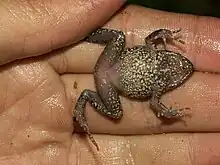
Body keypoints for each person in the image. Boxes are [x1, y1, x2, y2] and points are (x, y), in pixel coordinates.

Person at [0, 0, 219, 164]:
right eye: (176, 61)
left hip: (109, 76)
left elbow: (151, 43)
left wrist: (165, 35)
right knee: (116, 106)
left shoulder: (156, 67)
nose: (180, 68)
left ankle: (85, 88)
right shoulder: (157, 74)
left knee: (118, 40)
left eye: (179, 75)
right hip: (110, 74)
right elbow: (155, 101)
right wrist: (166, 34)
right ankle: (82, 38)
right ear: (168, 56)